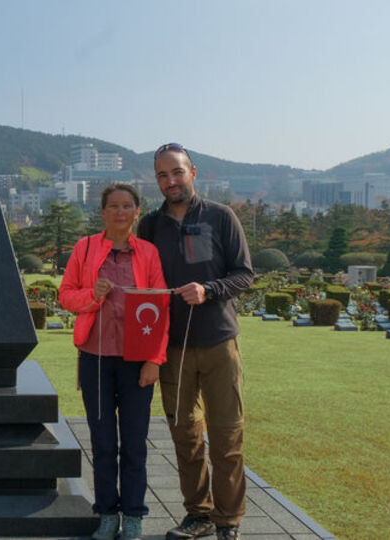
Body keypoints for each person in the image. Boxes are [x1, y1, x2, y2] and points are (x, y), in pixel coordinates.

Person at [137, 143, 254, 540]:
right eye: (162, 175)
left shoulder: (221, 217)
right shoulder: (150, 226)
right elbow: (143, 280)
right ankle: (198, 514)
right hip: (173, 347)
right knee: (185, 436)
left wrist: (209, 289)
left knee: (226, 436)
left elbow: (244, 273)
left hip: (219, 342)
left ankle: (228, 518)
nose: (170, 181)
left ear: (193, 172)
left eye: (177, 172)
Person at [59, 183, 168, 540]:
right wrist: (92, 295)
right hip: (96, 359)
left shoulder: (148, 253)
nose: (121, 212)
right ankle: (107, 513)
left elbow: (161, 307)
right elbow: (66, 296)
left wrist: (155, 360)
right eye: (114, 206)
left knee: (134, 442)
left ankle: (133, 515)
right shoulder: (86, 247)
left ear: (137, 212)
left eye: (127, 206)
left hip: (137, 360)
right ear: (103, 212)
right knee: (103, 442)